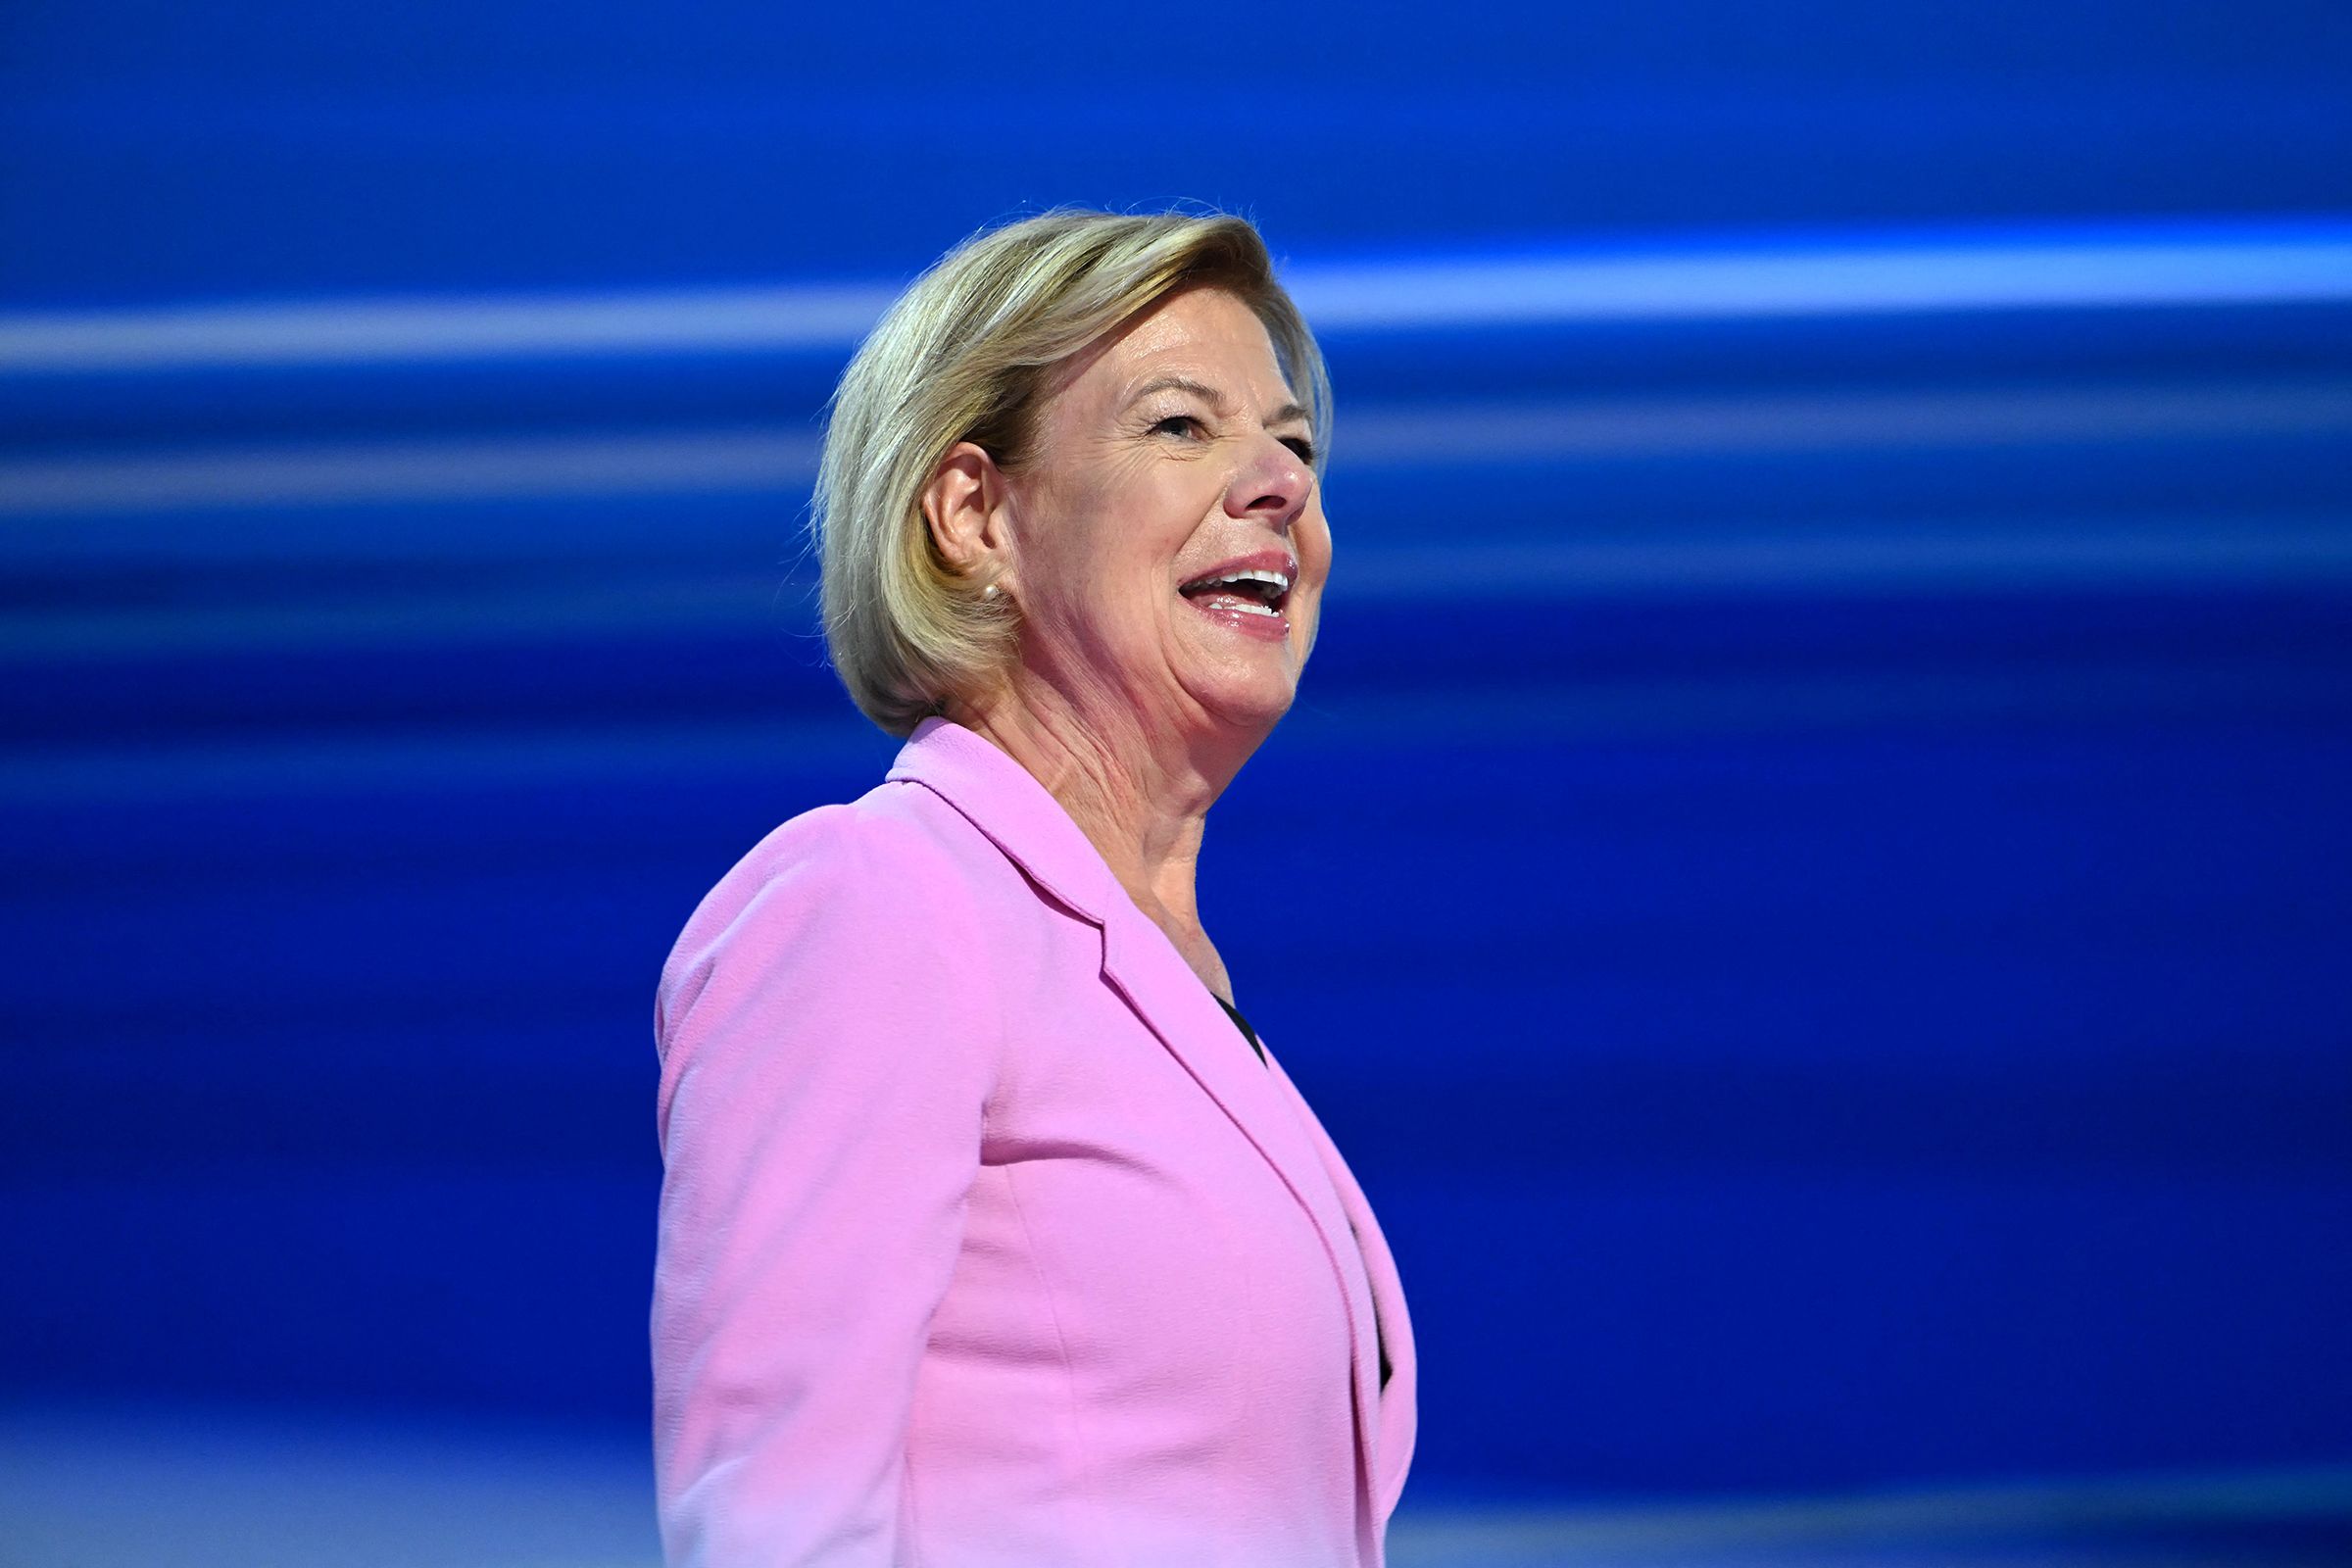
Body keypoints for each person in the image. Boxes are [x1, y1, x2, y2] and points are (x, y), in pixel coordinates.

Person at [651, 209, 1415, 1568]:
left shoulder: (1162, 982)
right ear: (974, 514)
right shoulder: (880, 903)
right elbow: (778, 1531)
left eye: (1293, 445)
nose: (1279, 485)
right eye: (1181, 427)